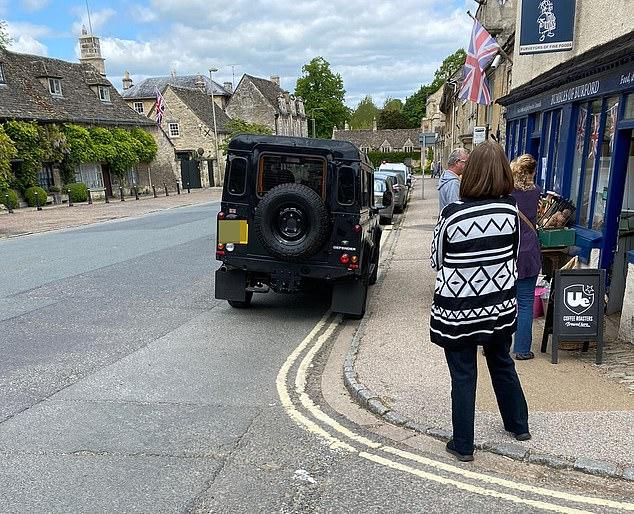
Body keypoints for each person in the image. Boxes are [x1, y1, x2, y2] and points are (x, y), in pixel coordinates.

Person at [430, 141, 530, 462]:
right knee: (501, 361)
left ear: (469, 174)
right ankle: (519, 425)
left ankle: (463, 445)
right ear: (504, 173)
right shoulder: (511, 211)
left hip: (458, 309)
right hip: (498, 306)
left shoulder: (452, 213)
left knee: (463, 374)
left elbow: (437, 259)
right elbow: (511, 254)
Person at [510, 154, 542, 360]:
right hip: (529, 249)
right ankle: (522, 349)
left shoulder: (507, 192)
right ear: (532, 172)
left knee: (502, 301)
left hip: (509, 249)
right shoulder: (537, 192)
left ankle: (496, 346)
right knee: (525, 302)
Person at [437, 148, 469, 213]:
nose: (467, 165)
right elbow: (455, 209)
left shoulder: (445, 177)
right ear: (457, 162)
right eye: (465, 162)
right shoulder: (453, 183)